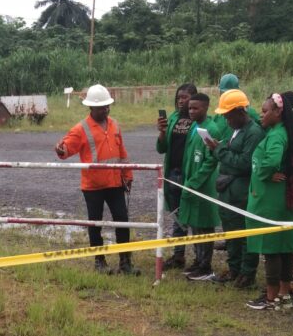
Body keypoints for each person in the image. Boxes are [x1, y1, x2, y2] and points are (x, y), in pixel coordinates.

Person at [55, 84, 138, 275]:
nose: (106, 110)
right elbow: (67, 148)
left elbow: (122, 152)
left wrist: (128, 174)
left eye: (107, 106)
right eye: (102, 107)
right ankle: (99, 261)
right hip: (93, 187)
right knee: (95, 223)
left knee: (122, 221)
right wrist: (61, 150)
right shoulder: (81, 128)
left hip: (115, 183)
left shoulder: (115, 124)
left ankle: (125, 262)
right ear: (91, 107)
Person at [245, 92, 293, 310]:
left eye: (265, 111)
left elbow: (272, 159)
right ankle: (284, 295)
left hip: (271, 201)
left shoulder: (277, 135)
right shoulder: (285, 132)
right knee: (285, 248)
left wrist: (265, 172)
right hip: (282, 200)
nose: (261, 115)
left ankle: (270, 298)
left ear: (278, 112)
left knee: (271, 248)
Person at [203, 89, 264, 287]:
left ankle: (247, 273)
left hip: (241, 192)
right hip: (228, 191)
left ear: (240, 111)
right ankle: (234, 268)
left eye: (229, 115)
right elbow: (232, 156)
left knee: (245, 234)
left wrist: (219, 150)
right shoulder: (234, 130)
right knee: (231, 232)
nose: (226, 119)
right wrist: (220, 149)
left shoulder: (253, 133)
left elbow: (245, 163)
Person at [177, 93, 228, 281]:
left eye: (195, 108)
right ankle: (198, 260)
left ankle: (206, 265)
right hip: (192, 182)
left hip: (203, 185)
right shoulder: (194, 127)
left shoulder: (212, 128)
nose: (191, 111)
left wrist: (194, 182)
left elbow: (210, 161)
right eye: (190, 108)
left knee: (204, 225)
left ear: (206, 108)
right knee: (194, 224)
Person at [156, 83, 199, 270]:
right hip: (173, 172)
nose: (181, 101)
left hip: (190, 174)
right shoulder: (173, 118)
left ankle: (200, 260)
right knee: (177, 215)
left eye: (185, 97)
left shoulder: (199, 120)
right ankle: (178, 255)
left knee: (195, 216)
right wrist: (162, 132)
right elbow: (162, 148)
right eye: (179, 97)